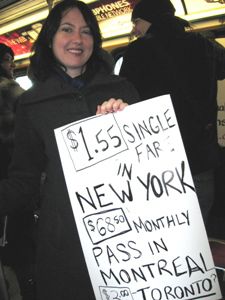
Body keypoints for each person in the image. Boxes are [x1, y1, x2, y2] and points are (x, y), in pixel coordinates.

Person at [0, 1, 139, 300]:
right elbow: (24, 180)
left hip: (129, 240)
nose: (77, 39)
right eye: (66, 29)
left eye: (86, 32)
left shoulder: (123, 89)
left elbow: (151, 167)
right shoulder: (31, 104)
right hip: (64, 242)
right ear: (50, 39)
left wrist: (130, 124)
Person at [119, 0, 225, 225]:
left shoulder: (137, 51)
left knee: (170, 234)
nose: (134, 29)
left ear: (149, 18)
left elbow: (126, 100)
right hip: (201, 158)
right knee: (199, 232)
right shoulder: (205, 44)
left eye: (136, 21)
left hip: (161, 164)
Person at [0, 43, 37, 300]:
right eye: (9, 61)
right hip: (12, 173)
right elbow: (32, 126)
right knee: (17, 242)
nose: (13, 67)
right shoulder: (10, 89)